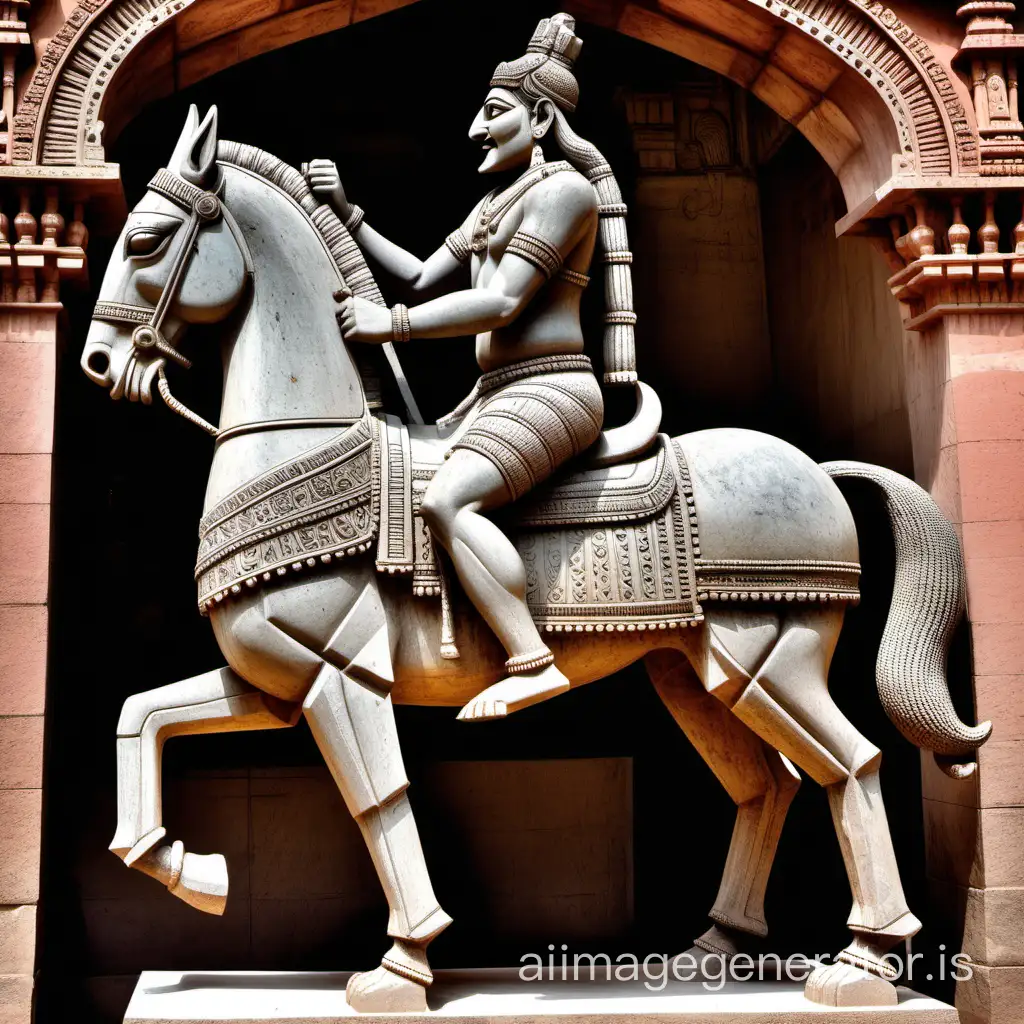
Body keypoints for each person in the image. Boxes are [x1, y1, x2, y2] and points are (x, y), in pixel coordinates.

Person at [307, 13, 638, 721]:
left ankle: (530, 658)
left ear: (541, 116)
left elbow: (499, 302)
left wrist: (387, 324)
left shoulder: (563, 194)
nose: (474, 130)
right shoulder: (496, 201)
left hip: (552, 391)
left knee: (448, 499)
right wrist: (348, 213)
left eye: (493, 113)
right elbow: (426, 275)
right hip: (491, 395)